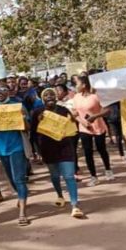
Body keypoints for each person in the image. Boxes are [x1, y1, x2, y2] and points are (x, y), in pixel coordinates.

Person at [32, 89, 84, 218]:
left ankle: (75, 205)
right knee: (55, 175)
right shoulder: (37, 113)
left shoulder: (64, 110)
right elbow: (33, 134)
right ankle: (60, 196)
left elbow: (73, 130)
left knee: (69, 176)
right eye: (46, 95)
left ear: (56, 97)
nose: (49, 96)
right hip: (48, 149)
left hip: (65, 147)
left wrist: (73, 119)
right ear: (42, 99)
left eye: (52, 94)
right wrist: (36, 152)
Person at [0, 86, 30, 226]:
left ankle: (23, 212)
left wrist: (22, 118)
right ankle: (22, 194)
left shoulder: (17, 106)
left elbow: (27, 127)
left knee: (19, 179)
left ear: (8, 92)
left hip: (17, 147)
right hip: (1, 148)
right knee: (12, 179)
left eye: (2, 91)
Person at [72, 75, 114, 186]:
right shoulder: (76, 97)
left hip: (98, 127)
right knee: (87, 152)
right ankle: (93, 176)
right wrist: (82, 122)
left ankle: (108, 169)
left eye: (77, 84)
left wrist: (96, 116)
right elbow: (74, 113)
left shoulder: (96, 96)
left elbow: (107, 110)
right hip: (84, 128)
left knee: (101, 149)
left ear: (84, 85)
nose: (76, 86)